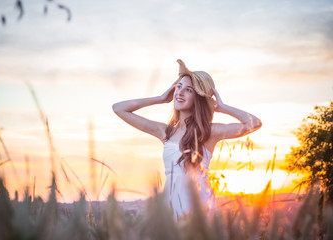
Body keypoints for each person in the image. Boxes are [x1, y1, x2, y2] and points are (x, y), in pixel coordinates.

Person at [112, 59, 262, 219]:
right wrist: (160, 98)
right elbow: (119, 108)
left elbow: (254, 123)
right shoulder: (166, 132)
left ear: (199, 97)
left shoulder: (210, 132)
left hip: (198, 208)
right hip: (169, 206)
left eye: (188, 90)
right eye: (179, 87)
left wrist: (223, 108)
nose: (180, 93)